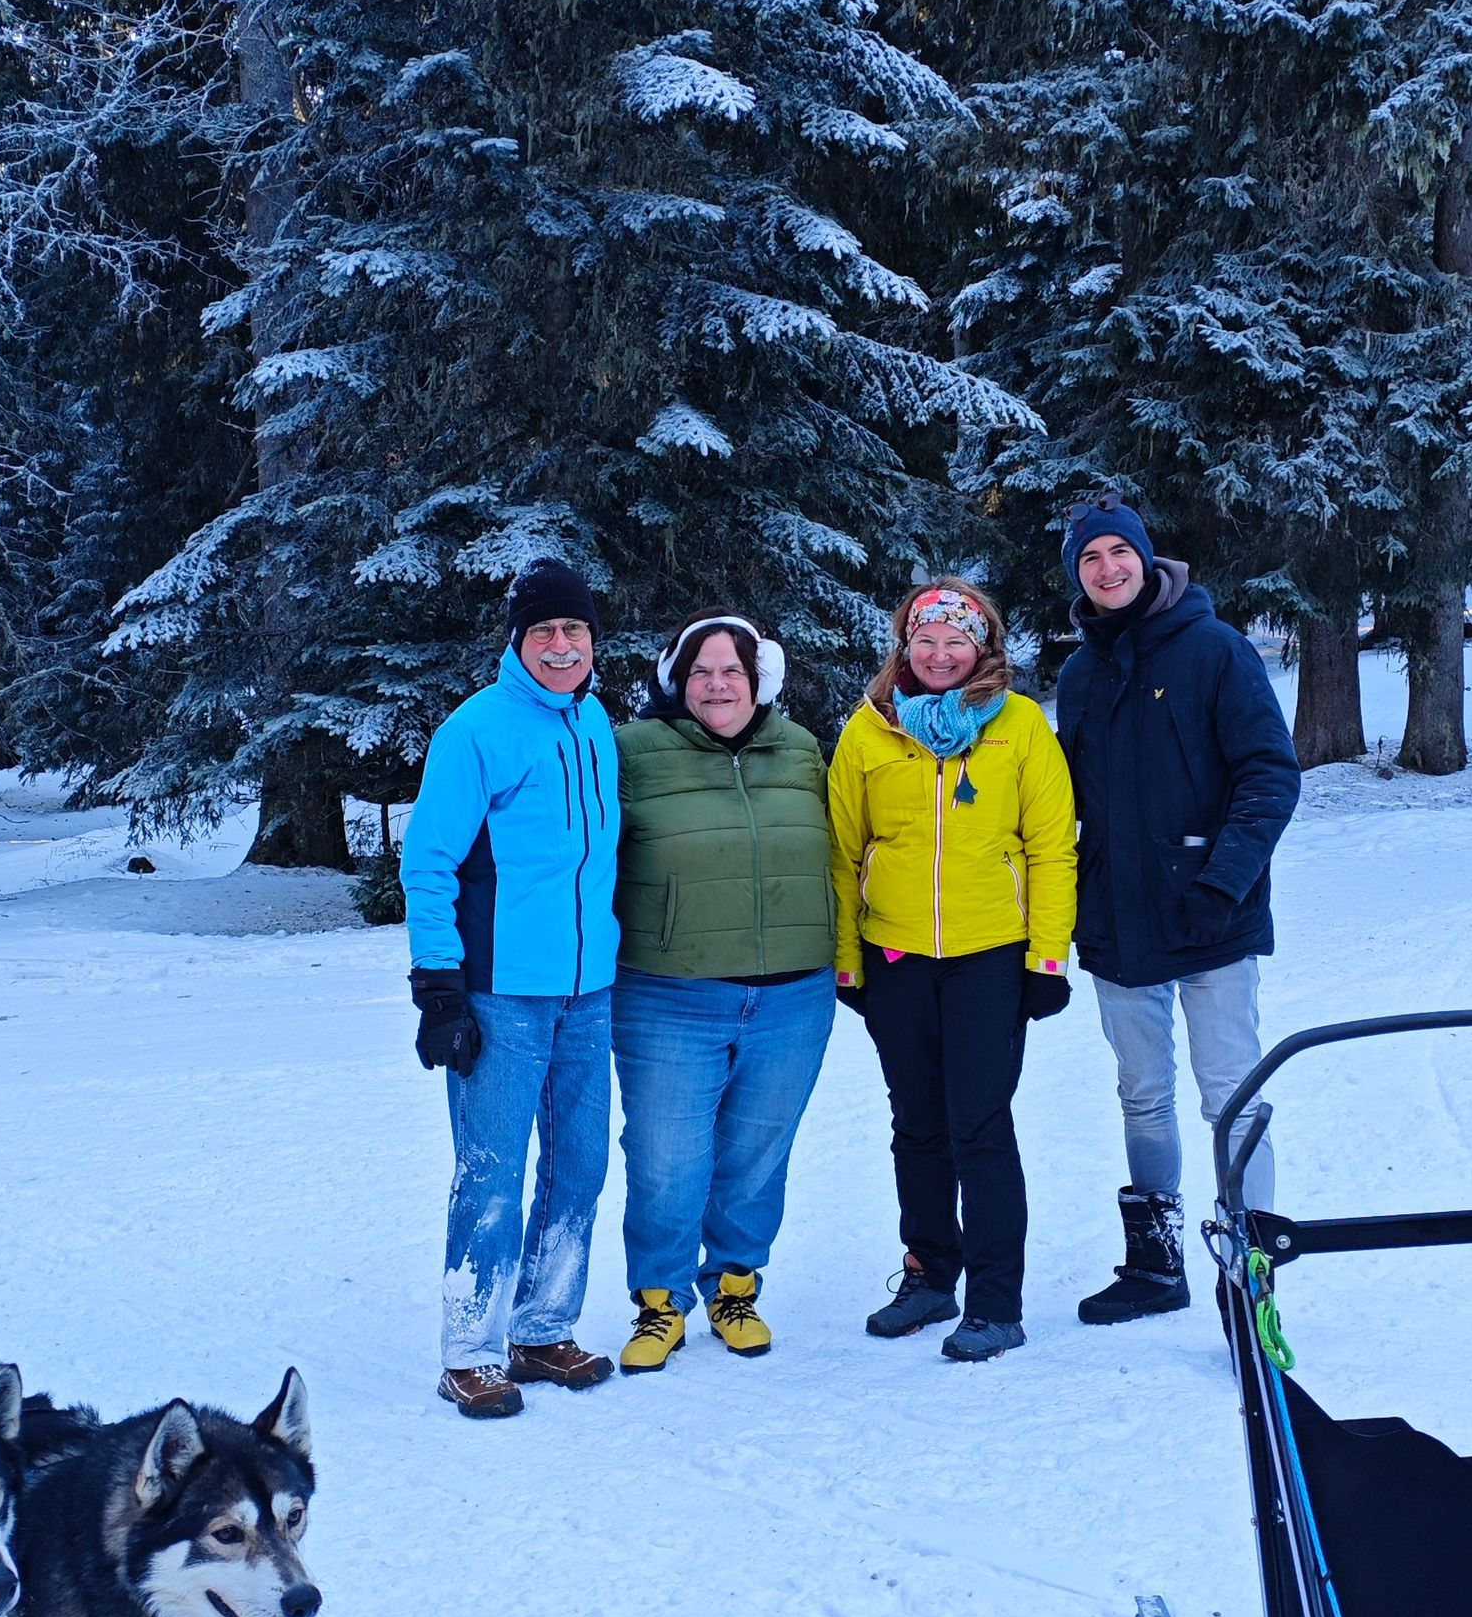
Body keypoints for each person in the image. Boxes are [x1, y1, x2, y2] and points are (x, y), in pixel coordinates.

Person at [1054, 502, 1300, 1324]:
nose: (1109, 567)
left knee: (1230, 1088)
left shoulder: (1215, 649)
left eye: (1122, 550)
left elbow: (1270, 771)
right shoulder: (1079, 673)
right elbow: (1067, 800)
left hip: (1211, 916)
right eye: (1091, 557)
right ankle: (1156, 1266)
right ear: (1077, 574)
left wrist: (1221, 881)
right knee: (1142, 1094)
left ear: (1150, 559)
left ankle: (1252, 1257)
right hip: (1119, 921)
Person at [829, 579, 1075, 1363]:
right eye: (925, 640)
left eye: (955, 640)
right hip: (895, 958)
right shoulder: (869, 731)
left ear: (984, 648)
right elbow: (841, 853)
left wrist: (1047, 957)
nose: (939, 654)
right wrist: (847, 963)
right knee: (917, 1126)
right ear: (905, 646)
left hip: (991, 960)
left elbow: (1051, 847)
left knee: (980, 1126)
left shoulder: (1021, 727)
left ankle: (996, 1302)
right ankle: (931, 1273)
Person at [401, 560, 621, 1418]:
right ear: (518, 642)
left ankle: (541, 1326)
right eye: (544, 633)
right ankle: (471, 1347)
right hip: (499, 993)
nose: (561, 646)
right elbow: (428, 860)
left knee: (581, 1164)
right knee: (492, 1171)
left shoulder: (596, 721)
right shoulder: (478, 729)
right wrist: (439, 988)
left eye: (574, 631)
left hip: (588, 992)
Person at [611, 615, 835, 1369]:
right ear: (676, 680)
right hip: (670, 994)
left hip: (794, 995)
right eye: (701, 671)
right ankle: (660, 1302)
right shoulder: (632, 750)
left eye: (732, 671)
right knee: (666, 1156)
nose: (716, 685)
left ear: (759, 679)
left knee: (756, 1153)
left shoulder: (799, 749)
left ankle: (735, 1288)